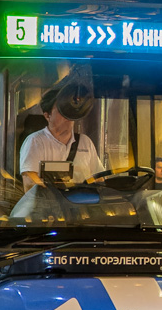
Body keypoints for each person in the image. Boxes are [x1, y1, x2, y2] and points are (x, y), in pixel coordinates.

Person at [10, 79, 100, 219]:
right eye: (62, 110)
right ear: (47, 115)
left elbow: (98, 178)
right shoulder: (35, 141)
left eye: (70, 110)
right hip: (48, 217)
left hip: (81, 216)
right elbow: (30, 183)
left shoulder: (85, 143)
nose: (68, 115)